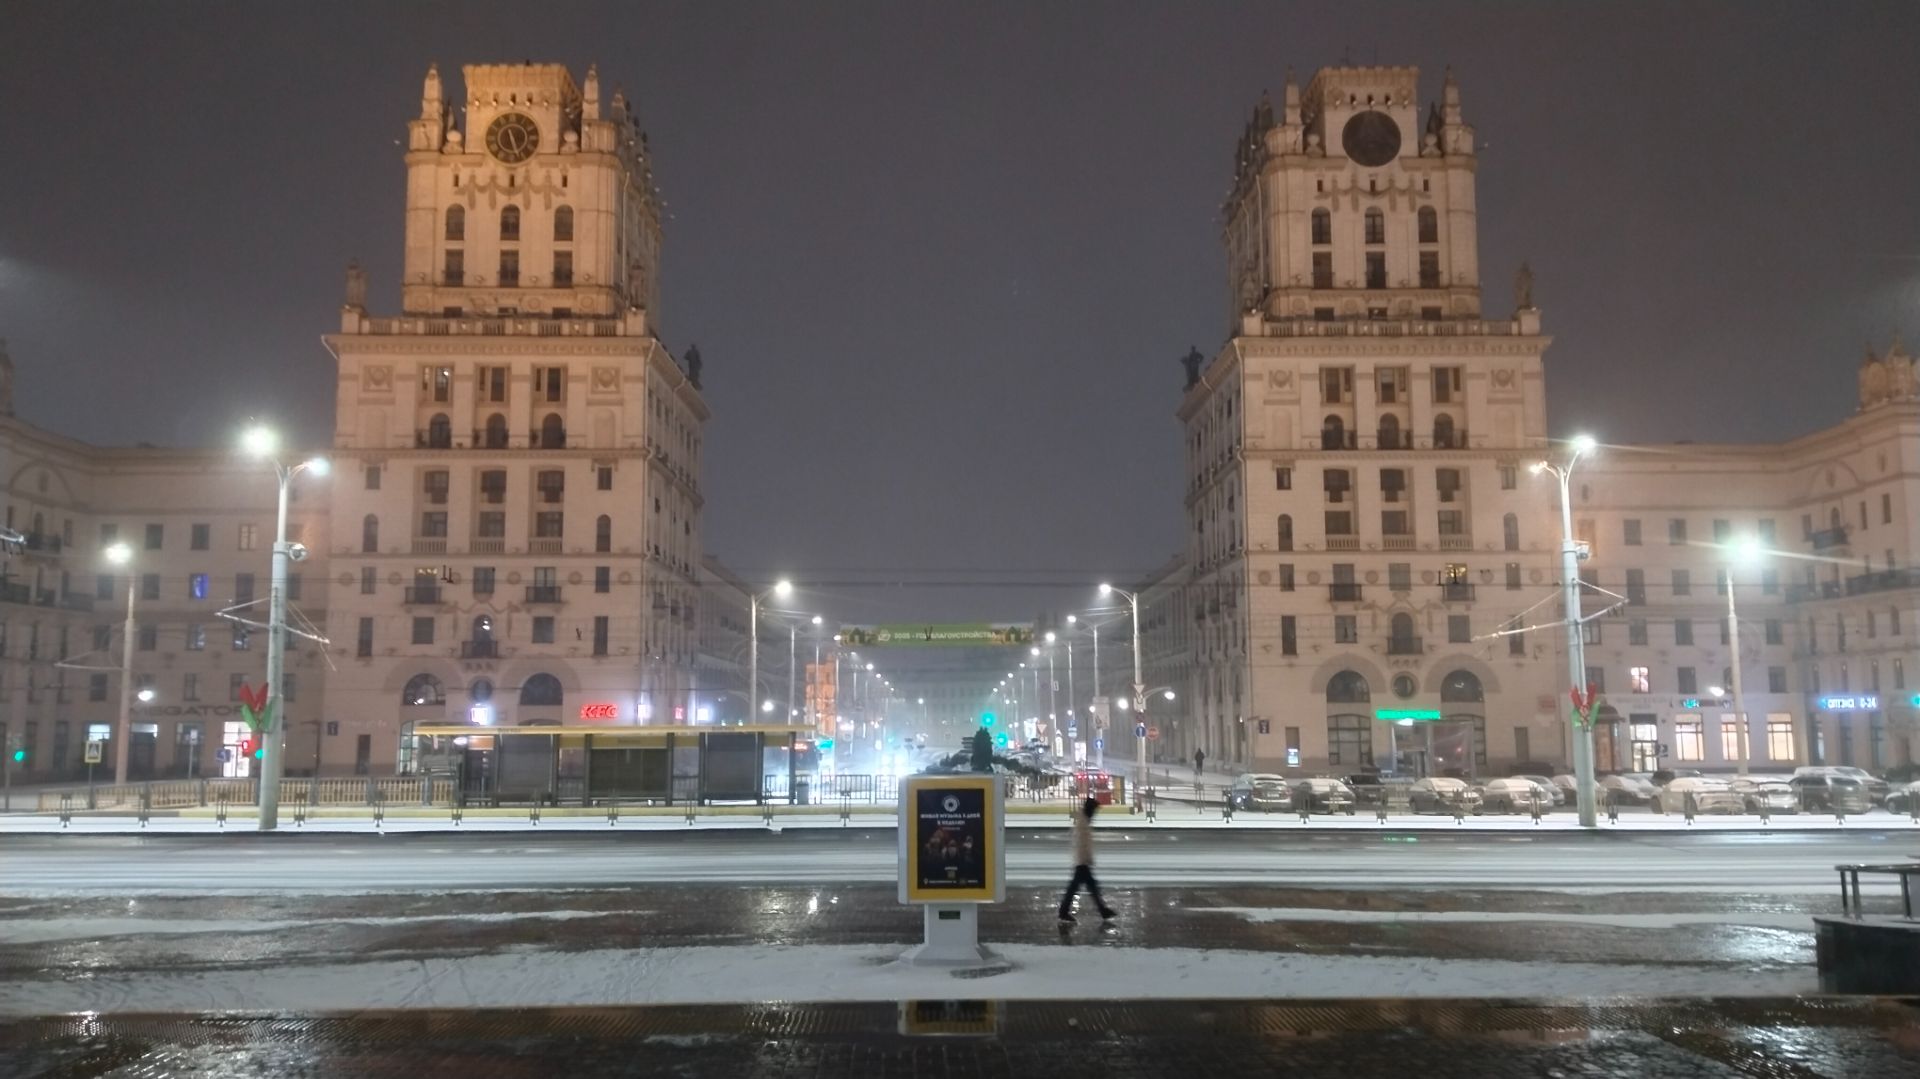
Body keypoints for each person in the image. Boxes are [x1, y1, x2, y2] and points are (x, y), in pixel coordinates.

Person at [1057, 797, 1115, 924]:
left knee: (1087, 886)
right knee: (1080, 887)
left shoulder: (1084, 821)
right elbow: (1082, 844)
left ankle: (1102, 910)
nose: (1095, 813)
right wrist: (1085, 860)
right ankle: (1064, 911)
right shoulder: (1082, 824)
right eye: (1094, 810)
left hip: (1082, 861)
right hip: (1082, 862)